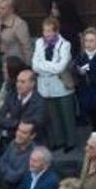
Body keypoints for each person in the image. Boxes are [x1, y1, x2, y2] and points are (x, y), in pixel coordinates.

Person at [31, 17, 75, 152]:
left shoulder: (65, 44)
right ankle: (59, 140)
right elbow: (34, 65)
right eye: (44, 31)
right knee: (53, 116)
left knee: (66, 115)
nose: (46, 34)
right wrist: (49, 66)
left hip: (61, 85)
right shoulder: (39, 43)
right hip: (45, 86)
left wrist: (43, 65)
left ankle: (70, 141)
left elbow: (60, 68)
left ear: (56, 31)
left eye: (49, 31)